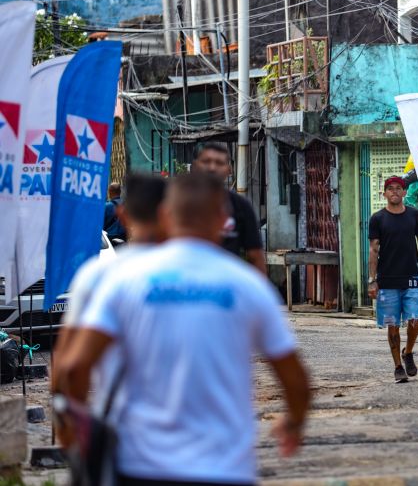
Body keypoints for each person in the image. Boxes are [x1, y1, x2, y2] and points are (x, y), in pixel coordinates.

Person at [53, 172, 311, 485]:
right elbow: (295, 380)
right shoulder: (248, 286)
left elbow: (72, 366)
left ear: (166, 216)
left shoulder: (123, 281)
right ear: (223, 220)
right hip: (225, 468)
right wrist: (294, 422)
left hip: (138, 466)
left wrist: (77, 430)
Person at [54, 173, 168, 418]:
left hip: (124, 431)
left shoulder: (97, 276)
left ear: (124, 215)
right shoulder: (215, 278)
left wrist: (69, 428)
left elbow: (71, 365)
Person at [368, 176, 418, 383]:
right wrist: (372, 279)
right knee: (392, 324)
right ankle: (398, 366)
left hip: (412, 277)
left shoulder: (414, 215)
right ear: (384, 194)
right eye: (390, 189)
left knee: (415, 320)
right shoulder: (377, 219)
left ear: (405, 192)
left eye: (399, 188)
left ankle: (409, 352)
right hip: (387, 280)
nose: (394, 191)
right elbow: (374, 249)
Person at [192, 142, 267, 275]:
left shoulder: (241, 206)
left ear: (229, 169)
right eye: (206, 161)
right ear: (196, 166)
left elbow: (256, 256)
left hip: (227, 282)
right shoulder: (181, 203)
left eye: (219, 163)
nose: (212, 167)